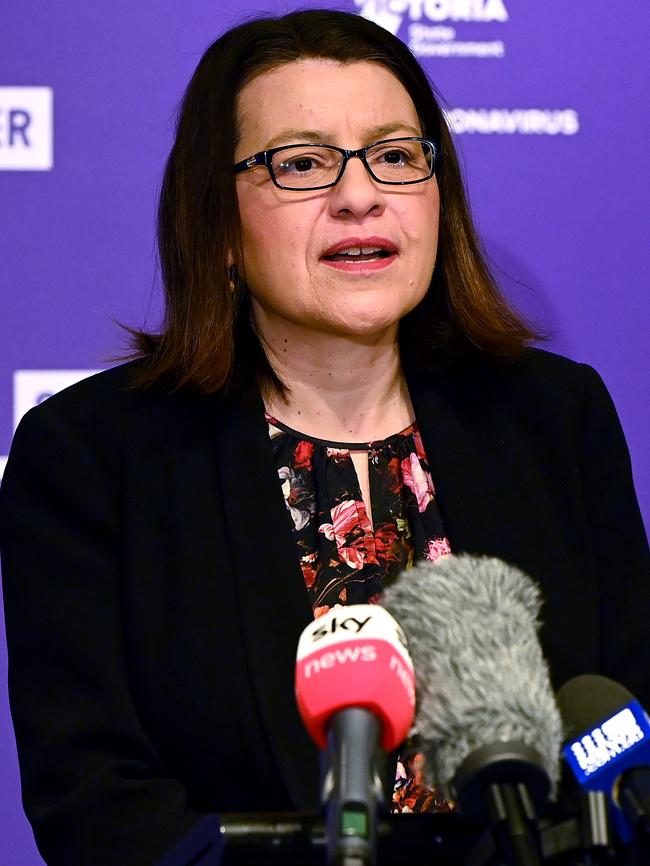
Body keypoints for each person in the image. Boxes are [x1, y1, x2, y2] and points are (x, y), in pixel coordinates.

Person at [1, 9, 648, 866]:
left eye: (394, 155)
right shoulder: (89, 456)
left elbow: (626, 725)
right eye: (302, 163)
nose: (358, 195)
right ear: (222, 228)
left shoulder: (555, 417)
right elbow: (96, 803)